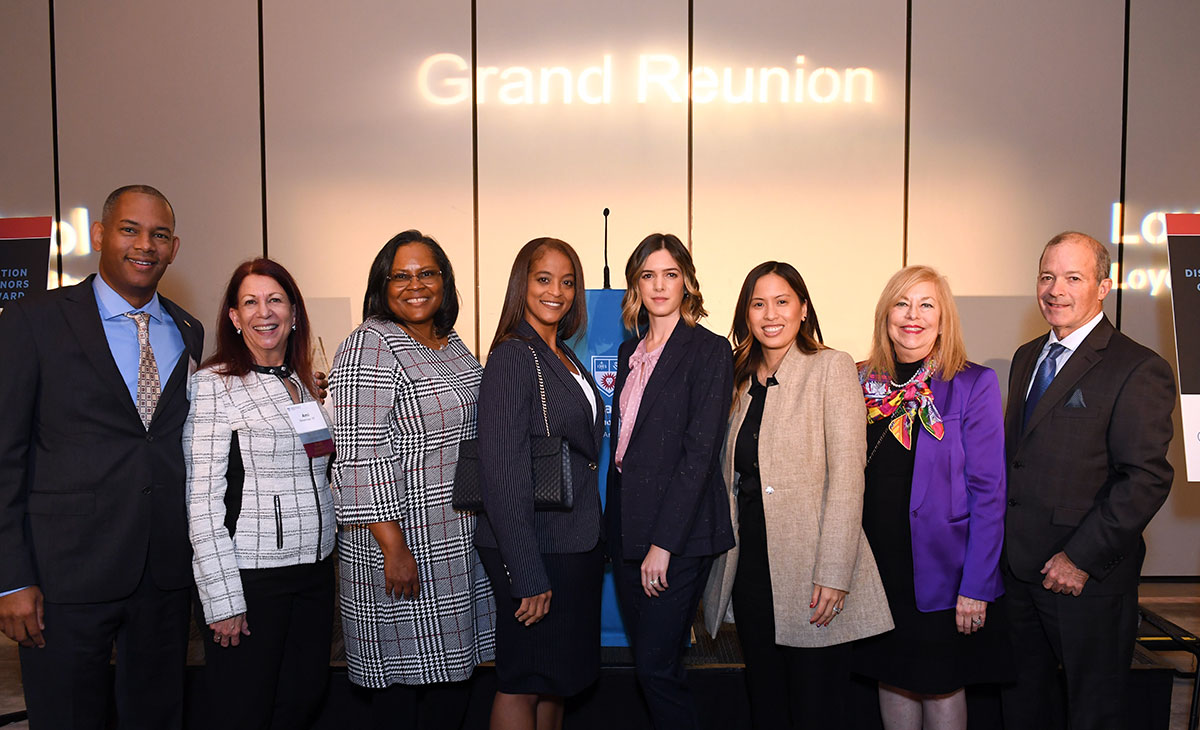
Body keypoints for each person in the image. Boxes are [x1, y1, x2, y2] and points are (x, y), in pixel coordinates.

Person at [0, 185, 204, 728]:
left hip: (161, 576)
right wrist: (10, 579)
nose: (146, 245)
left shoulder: (188, 329)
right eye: (130, 229)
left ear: (175, 247)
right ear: (98, 235)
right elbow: (5, 457)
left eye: (159, 235)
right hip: (64, 577)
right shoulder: (32, 319)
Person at [702, 261, 892, 728]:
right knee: (766, 702)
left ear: (803, 309)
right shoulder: (737, 381)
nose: (771, 314)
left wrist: (834, 572)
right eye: (758, 303)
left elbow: (849, 478)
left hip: (814, 575)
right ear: (746, 314)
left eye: (782, 301)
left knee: (816, 707)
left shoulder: (831, 367)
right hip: (749, 571)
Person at [1001, 232, 1175, 729]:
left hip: (1084, 580)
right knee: (1024, 708)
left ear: (1103, 286)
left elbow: (1144, 479)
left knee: (1092, 713)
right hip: (1018, 574)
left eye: (1073, 278)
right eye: (1047, 276)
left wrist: (1080, 558)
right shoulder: (1026, 356)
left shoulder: (1138, 367)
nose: (1056, 289)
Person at [330, 231, 495, 729]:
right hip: (401, 543)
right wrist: (394, 547)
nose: (415, 285)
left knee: (451, 684)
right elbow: (359, 455)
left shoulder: (452, 344)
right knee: (403, 692)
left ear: (444, 281)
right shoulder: (371, 342)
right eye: (400, 275)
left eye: (427, 273)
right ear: (382, 285)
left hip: (456, 539)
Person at [852, 265, 1010, 729]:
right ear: (886, 316)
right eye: (901, 304)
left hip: (944, 574)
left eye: (926, 305)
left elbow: (989, 493)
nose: (912, 316)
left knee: (941, 685)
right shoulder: (861, 382)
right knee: (892, 677)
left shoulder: (971, 384)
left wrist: (976, 587)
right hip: (876, 568)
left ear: (943, 320)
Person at [184, 257, 335, 728]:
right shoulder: (213, 385)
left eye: (274, 300)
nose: (263, 312)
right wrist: (222, 599)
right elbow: (203, 499)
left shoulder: (304, 384)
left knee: (302, 700)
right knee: (245, 710)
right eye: (250, 302)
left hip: (313, 572)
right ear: (234, 316)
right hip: (252, 577)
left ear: (293, 311)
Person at [474, 237, 605, 730]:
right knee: (522, 680)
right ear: (521, 284)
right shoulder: (513, 356)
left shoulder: (564, 356)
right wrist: (525, 573)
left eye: (567, 281)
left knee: (558, 680)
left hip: (574, 544)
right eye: (544, 279)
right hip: (534, 548)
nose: (557, 291)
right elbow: (501, 473)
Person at [606, 233, 734, 730]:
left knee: (657, 670)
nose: (660, 285)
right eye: (648, 275)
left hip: (675, 538)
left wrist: (663, 545)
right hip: (626, 529)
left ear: (687, 281)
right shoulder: (628, 352)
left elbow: (699, 456)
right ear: (636, 285)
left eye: (670, 274)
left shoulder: (708, 350)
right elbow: (625, 451)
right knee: (652, 667)